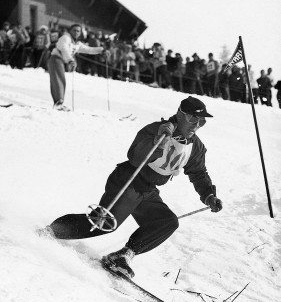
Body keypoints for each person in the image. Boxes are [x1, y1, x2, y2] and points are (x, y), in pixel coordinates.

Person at [43, 96, 223, 278]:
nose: (196, 125)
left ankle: (122, 256)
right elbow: (136, 158)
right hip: (128, 179)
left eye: (202, 121)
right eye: (193, 118)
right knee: (105, 223)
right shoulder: (157, 130)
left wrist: (209, 195)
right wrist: (158, 143)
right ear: (180, 114)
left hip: (148, 190)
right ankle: (52, 231)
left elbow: (198, 173)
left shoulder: (196, 147)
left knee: (167, 222)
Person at [48, 23, 103, 110]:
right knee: (59, 80)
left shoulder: (77, 44)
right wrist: (70, 60)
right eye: (74, 30)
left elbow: (88, 50)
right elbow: (64, 48)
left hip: (61, 61)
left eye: (78, 31)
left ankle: (58, 103)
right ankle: (58, 103)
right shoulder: (65, 38)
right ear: (70, 31)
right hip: (56, 58)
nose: (76, 32)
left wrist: (101, 50)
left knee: (58, 80)